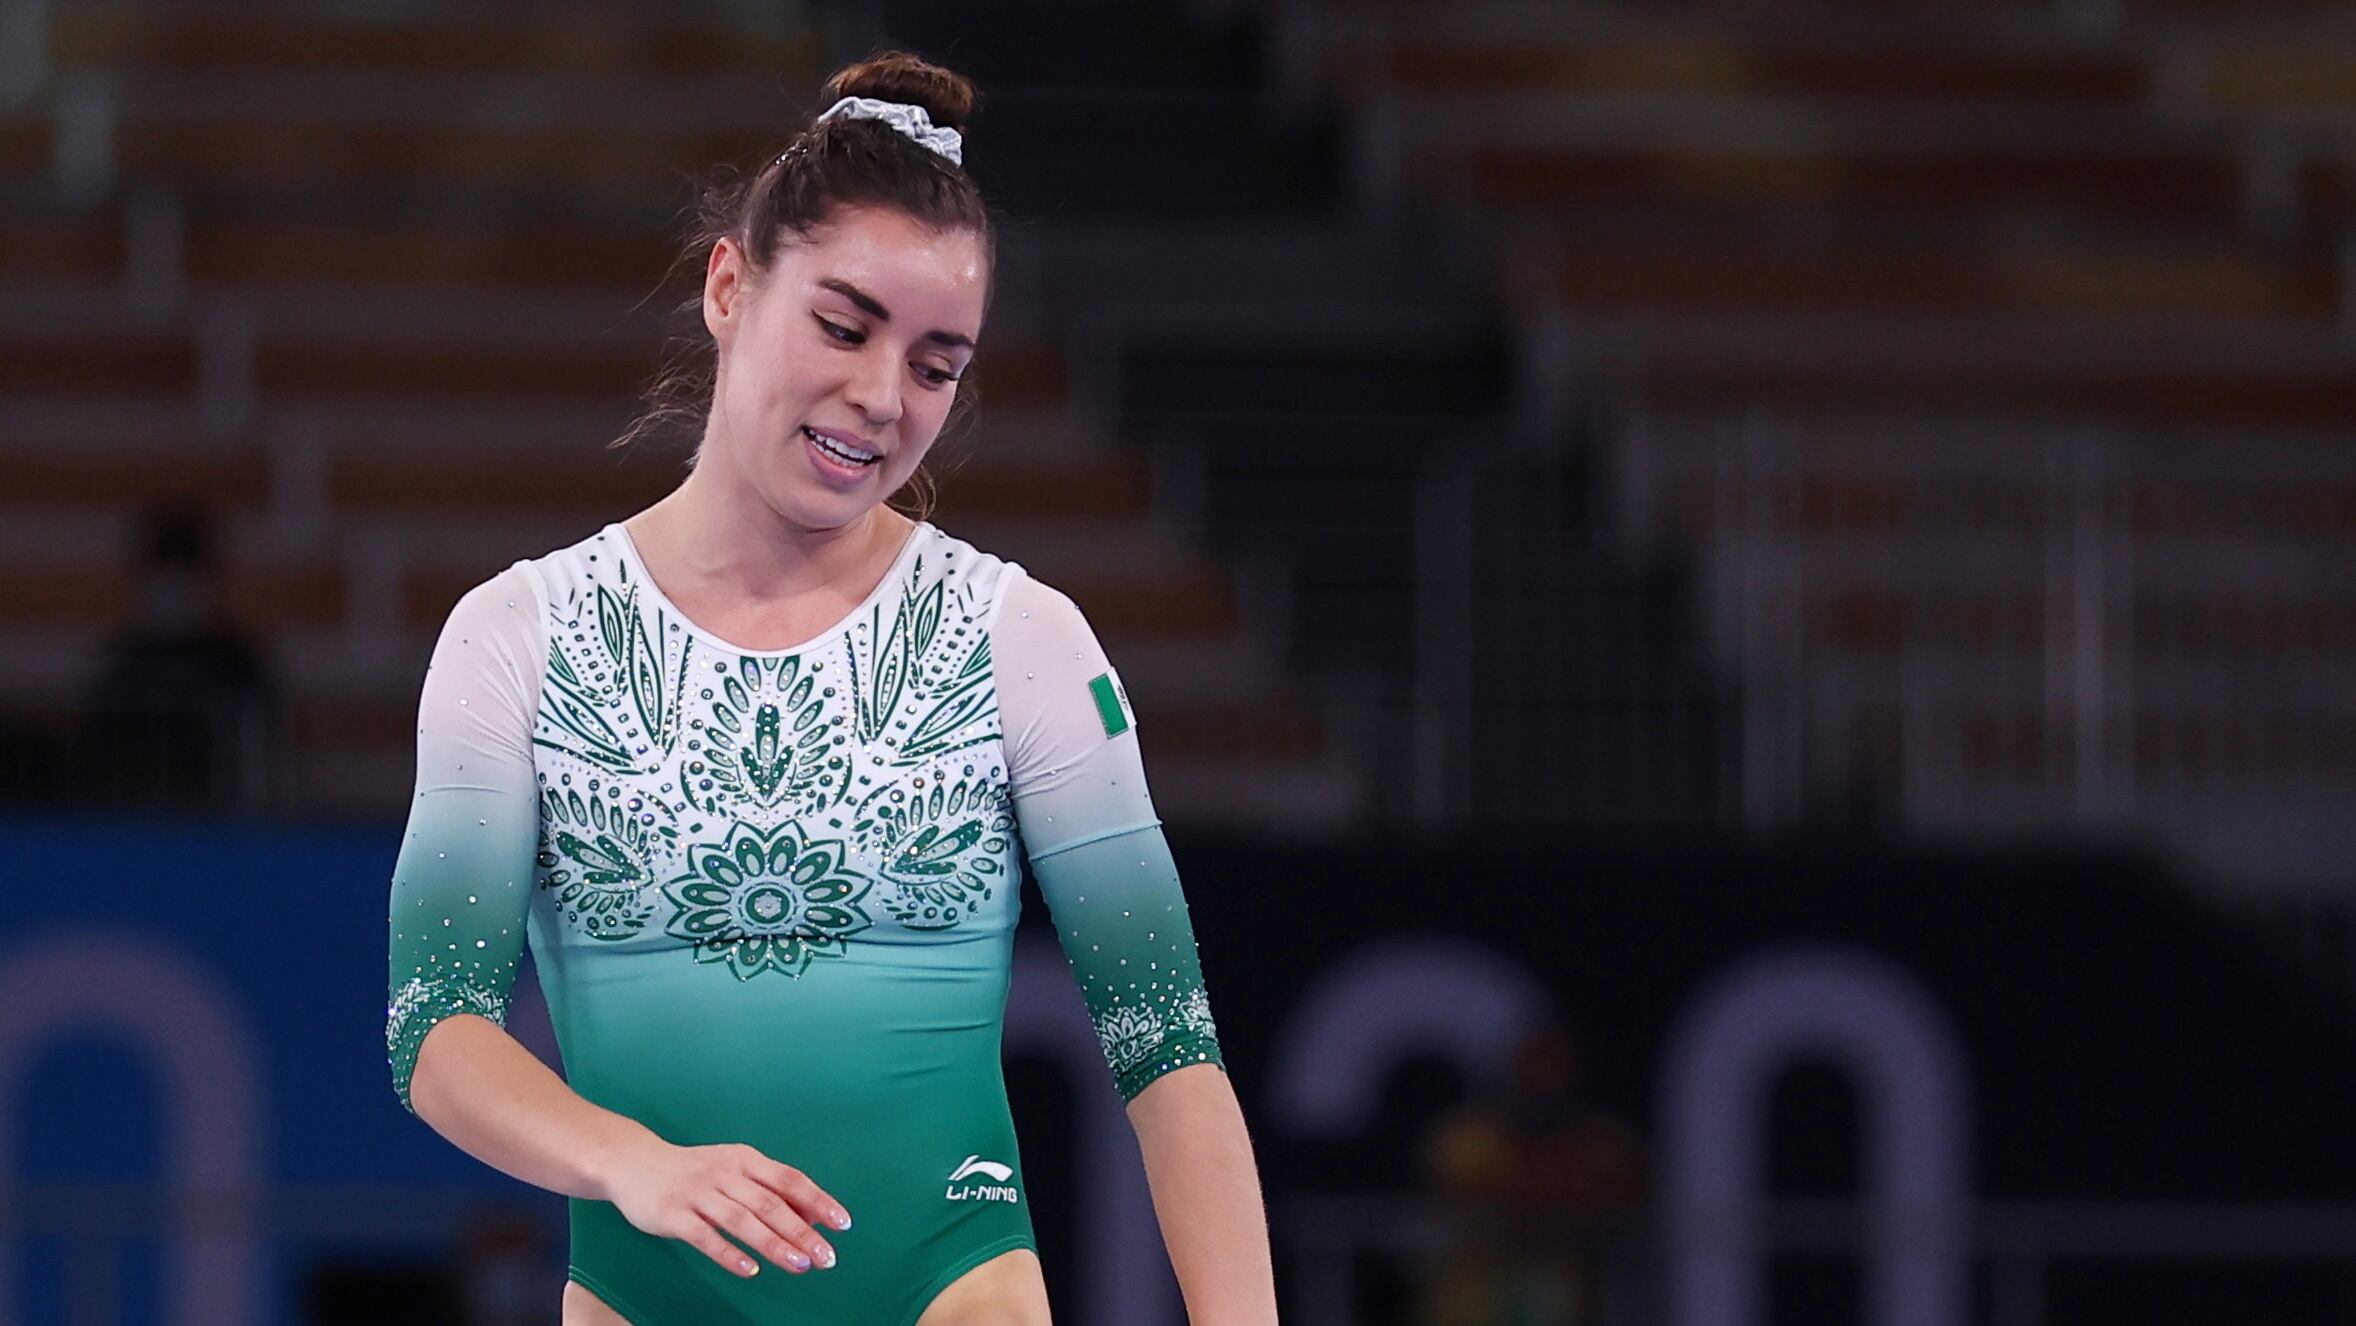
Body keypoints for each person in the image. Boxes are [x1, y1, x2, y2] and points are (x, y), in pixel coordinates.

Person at [383, 51, 1279, 1326]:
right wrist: (634, 1163)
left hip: (950, 1293)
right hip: (644, 1295)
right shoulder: (519, 641)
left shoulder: (1019, 640)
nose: (880, 397)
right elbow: (435, 1033)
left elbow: (1168, 1052)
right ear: (730, 287)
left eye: (936, 363)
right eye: (845, 326)